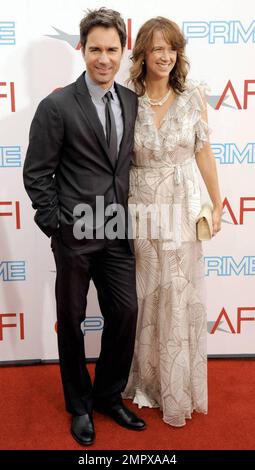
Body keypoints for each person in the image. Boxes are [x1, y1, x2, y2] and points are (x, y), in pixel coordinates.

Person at [23, 8, 146, 446]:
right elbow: (37, 173)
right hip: (74, 236)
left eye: (112, 49)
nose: (104, 58)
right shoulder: (56, 106)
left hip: (116, 234)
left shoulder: (130, 100)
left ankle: (109, 396)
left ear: (122, 50)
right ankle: (80, 406)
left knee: (125, 313)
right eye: (95, 48)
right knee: (71, 322)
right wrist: (57, 225)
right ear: (82, 48)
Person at [123, 17, 222, 427]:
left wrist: (217, 203)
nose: (165, 56)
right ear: (143, 54)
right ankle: (146, 383)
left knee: (179, 297)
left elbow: (204, 153)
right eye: (157, 48)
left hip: (182, 207)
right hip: (142, 209)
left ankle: (177, 386)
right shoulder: (127, 98)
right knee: (147, 298)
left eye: (172, 48)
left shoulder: (192, 97)